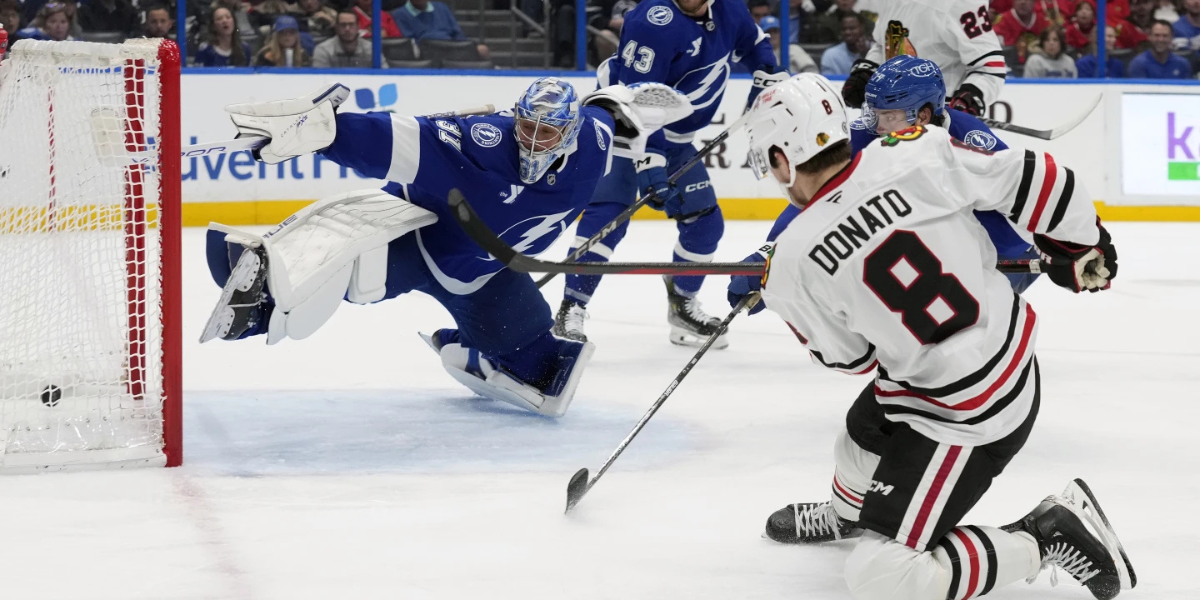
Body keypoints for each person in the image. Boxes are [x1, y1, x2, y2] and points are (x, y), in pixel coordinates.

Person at [739, 72, 1133, 600]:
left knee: (883, 579)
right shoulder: (913, 150)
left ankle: (1046, 535)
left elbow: (852, 361)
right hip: (991, 360)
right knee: (856, 442)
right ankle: (849, 515)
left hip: (972, 412)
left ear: (783, 160)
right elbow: (1043, 178)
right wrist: (1083, 245)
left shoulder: (788, 266)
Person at [201, 79, 691, 417]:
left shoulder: (595, 142)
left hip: (484, 276)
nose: (534, 142)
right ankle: (260, 297)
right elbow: (400, 139)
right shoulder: (484, 140)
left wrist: (640, 131)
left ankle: (472, 352)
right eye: (527, 126)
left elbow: (610, 109)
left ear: (570, 133)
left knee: (546, 373)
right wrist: (326, 133)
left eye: (548, 132)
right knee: (346, 277)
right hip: (417, 236)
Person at [730, 56, 1040, 319]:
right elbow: (818, 195)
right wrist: (770, 255)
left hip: (1003, 257)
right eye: (873, 111)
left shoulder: (969, 141)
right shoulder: (867, 135)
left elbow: (1022, 206)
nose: (877, 126)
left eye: (888, 116)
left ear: (923, 115)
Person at [551, 0, 782, 348]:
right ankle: (572, 306)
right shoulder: (651, 21)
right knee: (608, 218)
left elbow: (754, 42)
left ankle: (682, 304)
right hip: (622, 127)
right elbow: (637, 99)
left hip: (674, 138)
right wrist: (650, 162)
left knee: (704, 223)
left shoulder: (729, 9)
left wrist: (766, 69)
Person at [841, 0, 1007, 118]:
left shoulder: (958, 3)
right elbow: (883, 43)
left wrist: (970, 98)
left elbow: (990, 67)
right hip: (890, 118)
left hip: (937, 126)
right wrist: (867, 72)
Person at [391, 0, 489, 59]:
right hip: (426, 55)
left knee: (482, 50)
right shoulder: (399, 15)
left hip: (452, 50)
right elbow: (411, 44)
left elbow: (458, 35)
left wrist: (468, 47)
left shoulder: (442, 8)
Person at [313, 10, 386, 67]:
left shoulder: (371, 49)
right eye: (343, 25)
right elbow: (320, 80)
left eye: (351, 24)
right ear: (336, 27)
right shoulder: (323, 50)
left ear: (358, 27)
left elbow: (385, 76)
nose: (347, 29)